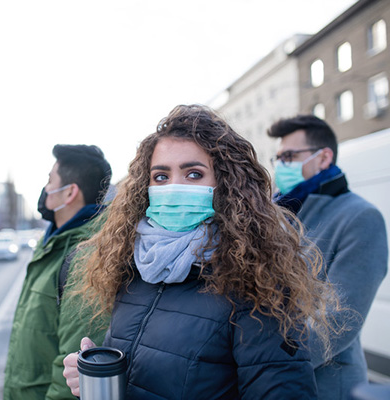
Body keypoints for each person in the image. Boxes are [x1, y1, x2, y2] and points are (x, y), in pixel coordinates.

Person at [62, 104, 340, 399]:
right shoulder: (133, 268)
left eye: (194, 174)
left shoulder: (258, 283)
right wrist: (95, 378)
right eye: (160, 176)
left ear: (226, 185)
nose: (174, 187)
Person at [267, 115, 388, 400]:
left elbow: (338, 321)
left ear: (323, 158)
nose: (282, 165)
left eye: (290, 156)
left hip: (323, 385)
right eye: (279, 158)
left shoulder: (360, 217)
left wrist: (270, 369)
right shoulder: (282, 212)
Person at [3, 144, 112, 400]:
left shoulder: (86, 256)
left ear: (70, 192)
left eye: (50, 180)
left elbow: (72, 368)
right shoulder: (52, 242)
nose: (46, 189)